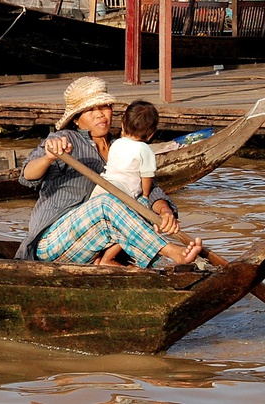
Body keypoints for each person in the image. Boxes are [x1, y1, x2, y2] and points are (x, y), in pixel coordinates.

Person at [14, 76, 202, 267]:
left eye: (104, 107)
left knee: (140, 203)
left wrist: (165, 211)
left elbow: (150, 189)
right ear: (77, 120)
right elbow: (27, 176)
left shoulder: (123, 145)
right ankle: (172, 252)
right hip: (54, 242)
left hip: (96, 243)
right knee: (107, 201)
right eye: (90, 110)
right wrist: (49, 157)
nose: (100, 115)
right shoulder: (63, 140)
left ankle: (114, 262)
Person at [91, 99, 160, 266]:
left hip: (102, 188)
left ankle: (96, 257)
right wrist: (144, 197)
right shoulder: (145, 150)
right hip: (124, 193)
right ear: (151, 134)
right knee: (134, 225)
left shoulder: (117, 144)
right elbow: (146, 176)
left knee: (103, 225)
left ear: (122, 125)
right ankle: (107, 259)